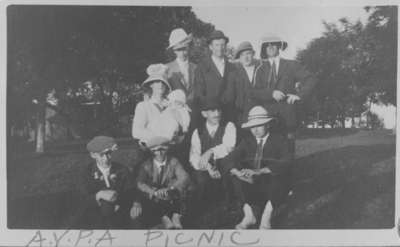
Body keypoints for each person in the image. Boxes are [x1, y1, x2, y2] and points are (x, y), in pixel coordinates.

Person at [224, 106, 292, 229]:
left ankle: (267, 216)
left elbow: (286, 162)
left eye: (259, 126)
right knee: (233, 174)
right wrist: (237, 172)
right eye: (252, 127)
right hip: (252, 184)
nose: (255, 130)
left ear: (268, 125)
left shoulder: (279, 140)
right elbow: (230, 158)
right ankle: (249, 215)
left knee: (279, 174)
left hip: (271, 184)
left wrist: (259, 171)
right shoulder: (247, 141)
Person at [250, 35, 317, 156]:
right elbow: (254, 92)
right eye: (267, 45)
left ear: (279, 47)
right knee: (270, 152)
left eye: (273, 44)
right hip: (267, 117)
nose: (270, 47)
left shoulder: (291, 65)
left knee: (287, 151)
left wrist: (299, 95)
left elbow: (310, 79)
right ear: (264, 49)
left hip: (288, 116)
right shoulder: (259, 69)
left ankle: (290, 174)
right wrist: (271, 93)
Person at [79, 136, 141, 228]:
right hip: (97, 213)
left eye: (108, 153)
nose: (106, 158)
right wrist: (98, 195)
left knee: (136, 222)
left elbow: (131, 190)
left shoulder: (122, 169)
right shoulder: (87, 172)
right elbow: (84, 197)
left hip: (121, 210)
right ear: (93, 155)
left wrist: (136, 203)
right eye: (101, 155)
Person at [189, 98, 236, 209]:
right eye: (212, 111)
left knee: (227, 180)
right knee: (201, 180)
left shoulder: (229, 126)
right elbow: (193, 156)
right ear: (204, 114)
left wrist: (210, 152)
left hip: (224, 166)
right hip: (205, 169)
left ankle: (227, 208)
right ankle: (203, 211)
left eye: (219, 110)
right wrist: (208, 167)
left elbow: (229, 147)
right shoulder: (198, 131)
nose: (217, 114)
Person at [136, 136, 190, 229]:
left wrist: (171, 188)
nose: (160, 153)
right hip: (155, 196)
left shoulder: (173, 161)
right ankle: (164, 219)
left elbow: (184, 177)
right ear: (152, 152)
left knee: (183, 192)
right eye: (156, 150)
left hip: (171, 194)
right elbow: (140, 183)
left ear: (167, 149)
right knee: (151, 201)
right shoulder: (146, 165)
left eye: (162, 150)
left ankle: (176, 216)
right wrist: (154, 192)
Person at [193, 30, 237, 126]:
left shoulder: (233, 68)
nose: (220, 48)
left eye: (222, 45)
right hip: (212, 118)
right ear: (210, 47)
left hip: (230, 116)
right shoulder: (202, 67)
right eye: (217, 45)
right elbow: (199, 94)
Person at [131, 63, 171, 146]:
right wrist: (160, 137)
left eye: (163, 82)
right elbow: (136, 131)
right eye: (157, 81)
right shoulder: (143, 106)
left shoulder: (171, 105)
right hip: (150, 148)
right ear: (151, 85)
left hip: (170, 148)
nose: (160, 85)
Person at [230, 41, 263, 125]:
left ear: (253, 54)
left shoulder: (261, 68)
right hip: (241, 115)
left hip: (259, 114)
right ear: (239, 58)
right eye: (242, 55)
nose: (245, 57)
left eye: (248, 53)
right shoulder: (234, 71)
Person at [166, 28, 197, 109]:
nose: (183, 53)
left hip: (194, 111)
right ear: (174, 50)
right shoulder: (167, 68)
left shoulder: (196, 68)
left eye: (184, 49)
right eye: (179, 50)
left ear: (188, 47)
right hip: (175, 111)